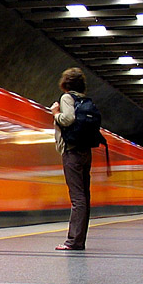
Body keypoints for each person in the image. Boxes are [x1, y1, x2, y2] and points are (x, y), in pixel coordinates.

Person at [50, 67, 91, 251]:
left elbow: (67, 119)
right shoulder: (83, 99)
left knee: (77, 199)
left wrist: (55, 113)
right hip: (85, 153)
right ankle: (79, 240)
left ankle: (73, 241)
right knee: (84, 197)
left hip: (72, 153)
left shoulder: (67, 98)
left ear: (65, 83)